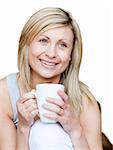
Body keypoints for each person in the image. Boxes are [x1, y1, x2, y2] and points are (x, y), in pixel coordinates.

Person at [0, 7, 103, 150]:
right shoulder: (4, 94)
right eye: (43, 40)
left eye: (62, 45)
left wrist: (75, 129)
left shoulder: (85, 101)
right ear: (26, 44)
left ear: (71, 55)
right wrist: (23, 128)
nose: (51, 53)